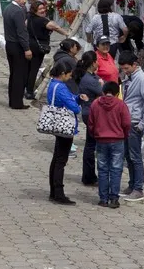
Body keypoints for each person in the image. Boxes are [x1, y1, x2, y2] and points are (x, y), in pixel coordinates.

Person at [88, 80, 131, 208]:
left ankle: (103, 198)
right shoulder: (121, 105)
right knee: (116, 169)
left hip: (101, 140)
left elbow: (91, 123)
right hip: (117, 140)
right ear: (117, 93)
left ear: (103, 91)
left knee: (102, 169)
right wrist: (124, 134)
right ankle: (114, 198)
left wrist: (95, 133)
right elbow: (127, 123)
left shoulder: (95, 104)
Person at [120, 50, 144, 201]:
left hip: (135, 123)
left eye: (127, 68)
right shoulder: (130, 77)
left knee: (135, 156)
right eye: (123, 68)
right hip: (127, 121)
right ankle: (132, 184)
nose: (125, 71)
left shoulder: (141, 79)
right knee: (128, 156)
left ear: (135, 65)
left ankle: (138, 188)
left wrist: (142, 124)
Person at [47, 64, 84, 205]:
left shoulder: (53, 84)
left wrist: (78, 97)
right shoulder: (61, 87)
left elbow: (70, 98)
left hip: (57, 125)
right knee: (61, 160)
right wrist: (78, 104)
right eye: (68, 75)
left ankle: (53, 191)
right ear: (62, 73)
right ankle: (59, 193)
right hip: (65, 127)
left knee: (56, 158)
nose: (69, 78)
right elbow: (73, 107)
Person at [27, 0, 69, 101]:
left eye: (43, 8)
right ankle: (29, 92)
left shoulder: (30, 18)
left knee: (29, 69)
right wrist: (66, 33)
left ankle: (27, 89)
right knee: (34, 70)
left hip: (30, 45)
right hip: (38, 48)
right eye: (40, 9)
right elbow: (54, 26)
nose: (43, 10)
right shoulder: (42, 20)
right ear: (35, 10)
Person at [72, 50, 102, 187]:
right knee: (91, 146)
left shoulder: (89, 76)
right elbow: (104, 91)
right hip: (91, 113)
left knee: (91, 144)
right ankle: (89, 176)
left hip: (88, 112)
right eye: (97, 61)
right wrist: (101, 83)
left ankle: (89, 175)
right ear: (93, 63)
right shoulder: (89, 80)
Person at [2, 0, 32, 109]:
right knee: (19, 75)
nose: (24, 1)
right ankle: (17, 102)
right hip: (17, 46)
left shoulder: (8, 8)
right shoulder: (17, 12)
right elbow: (21, 32)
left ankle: (13, 100)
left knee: (14, 74)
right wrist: (27, 48)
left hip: (9, 44)